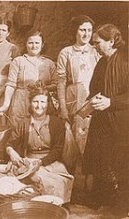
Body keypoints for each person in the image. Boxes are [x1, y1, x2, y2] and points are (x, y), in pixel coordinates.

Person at [83, 24, 129, 211]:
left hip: (122, 123)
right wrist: (92, 101)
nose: (94, 46)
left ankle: (121, 206)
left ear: (111, 41)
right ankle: (103, 201)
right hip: (102, 121)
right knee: (100, 160)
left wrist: (111, 102)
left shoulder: (126, 61)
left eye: (97, 42)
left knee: (120, 163)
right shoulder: (101, 62)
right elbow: (94, 88)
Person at [5, 84, 74, 203]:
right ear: (30, 103)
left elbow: (58, 150)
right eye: (35, 101)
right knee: (7, 181)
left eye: (43, 102)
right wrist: (12, 153)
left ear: (48, 104)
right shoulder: (23, 123)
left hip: (50, 163)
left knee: (56, 183)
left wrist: (41, 162)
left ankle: (52, 210)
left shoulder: (56, 123)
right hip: (28, 162)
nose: (39, 106)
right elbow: (9, 143)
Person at [0, 30, 57, 127]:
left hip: (41, 101)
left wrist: (44, 88)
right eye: (30, 43)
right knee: (17, 129)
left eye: (37, 43)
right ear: (26, 44)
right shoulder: (18, 61)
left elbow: (56, 84)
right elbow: (11, 84)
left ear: (42, 45)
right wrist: (6, 104)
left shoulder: (49, 63)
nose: (34, 46)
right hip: (20, 101)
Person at [57, 15, 100, 154]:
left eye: (89, 30)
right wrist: (63, 107)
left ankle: (90, 172)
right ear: (75, 31)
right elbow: (61, 81)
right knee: (76, 135)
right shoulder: (66, 52)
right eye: (82, 30)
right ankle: (76, 171)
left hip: (93, 96)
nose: (86, 34)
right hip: (74, 97)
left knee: (93, 134)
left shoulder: (96, 51)